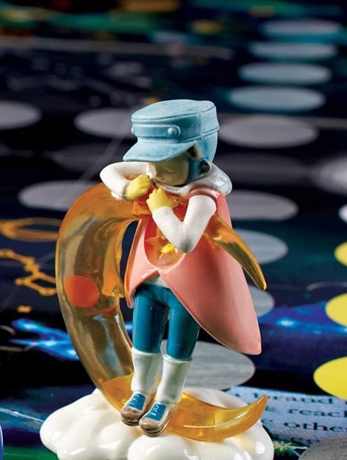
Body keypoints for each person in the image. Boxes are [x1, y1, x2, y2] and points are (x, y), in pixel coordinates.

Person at [99, 99, 260, 436]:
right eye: (152, 163)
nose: (156, 174)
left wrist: (159, 207)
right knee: (143, 341)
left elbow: (185, 240)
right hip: (150, 277)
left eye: (167, 167)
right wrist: (126, 188)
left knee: (177, 349)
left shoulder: (203, 195)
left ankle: (167, 399)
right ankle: (141, 390)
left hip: (187, 289)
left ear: (197, 155)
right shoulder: (156, 171)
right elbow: (109, 170)